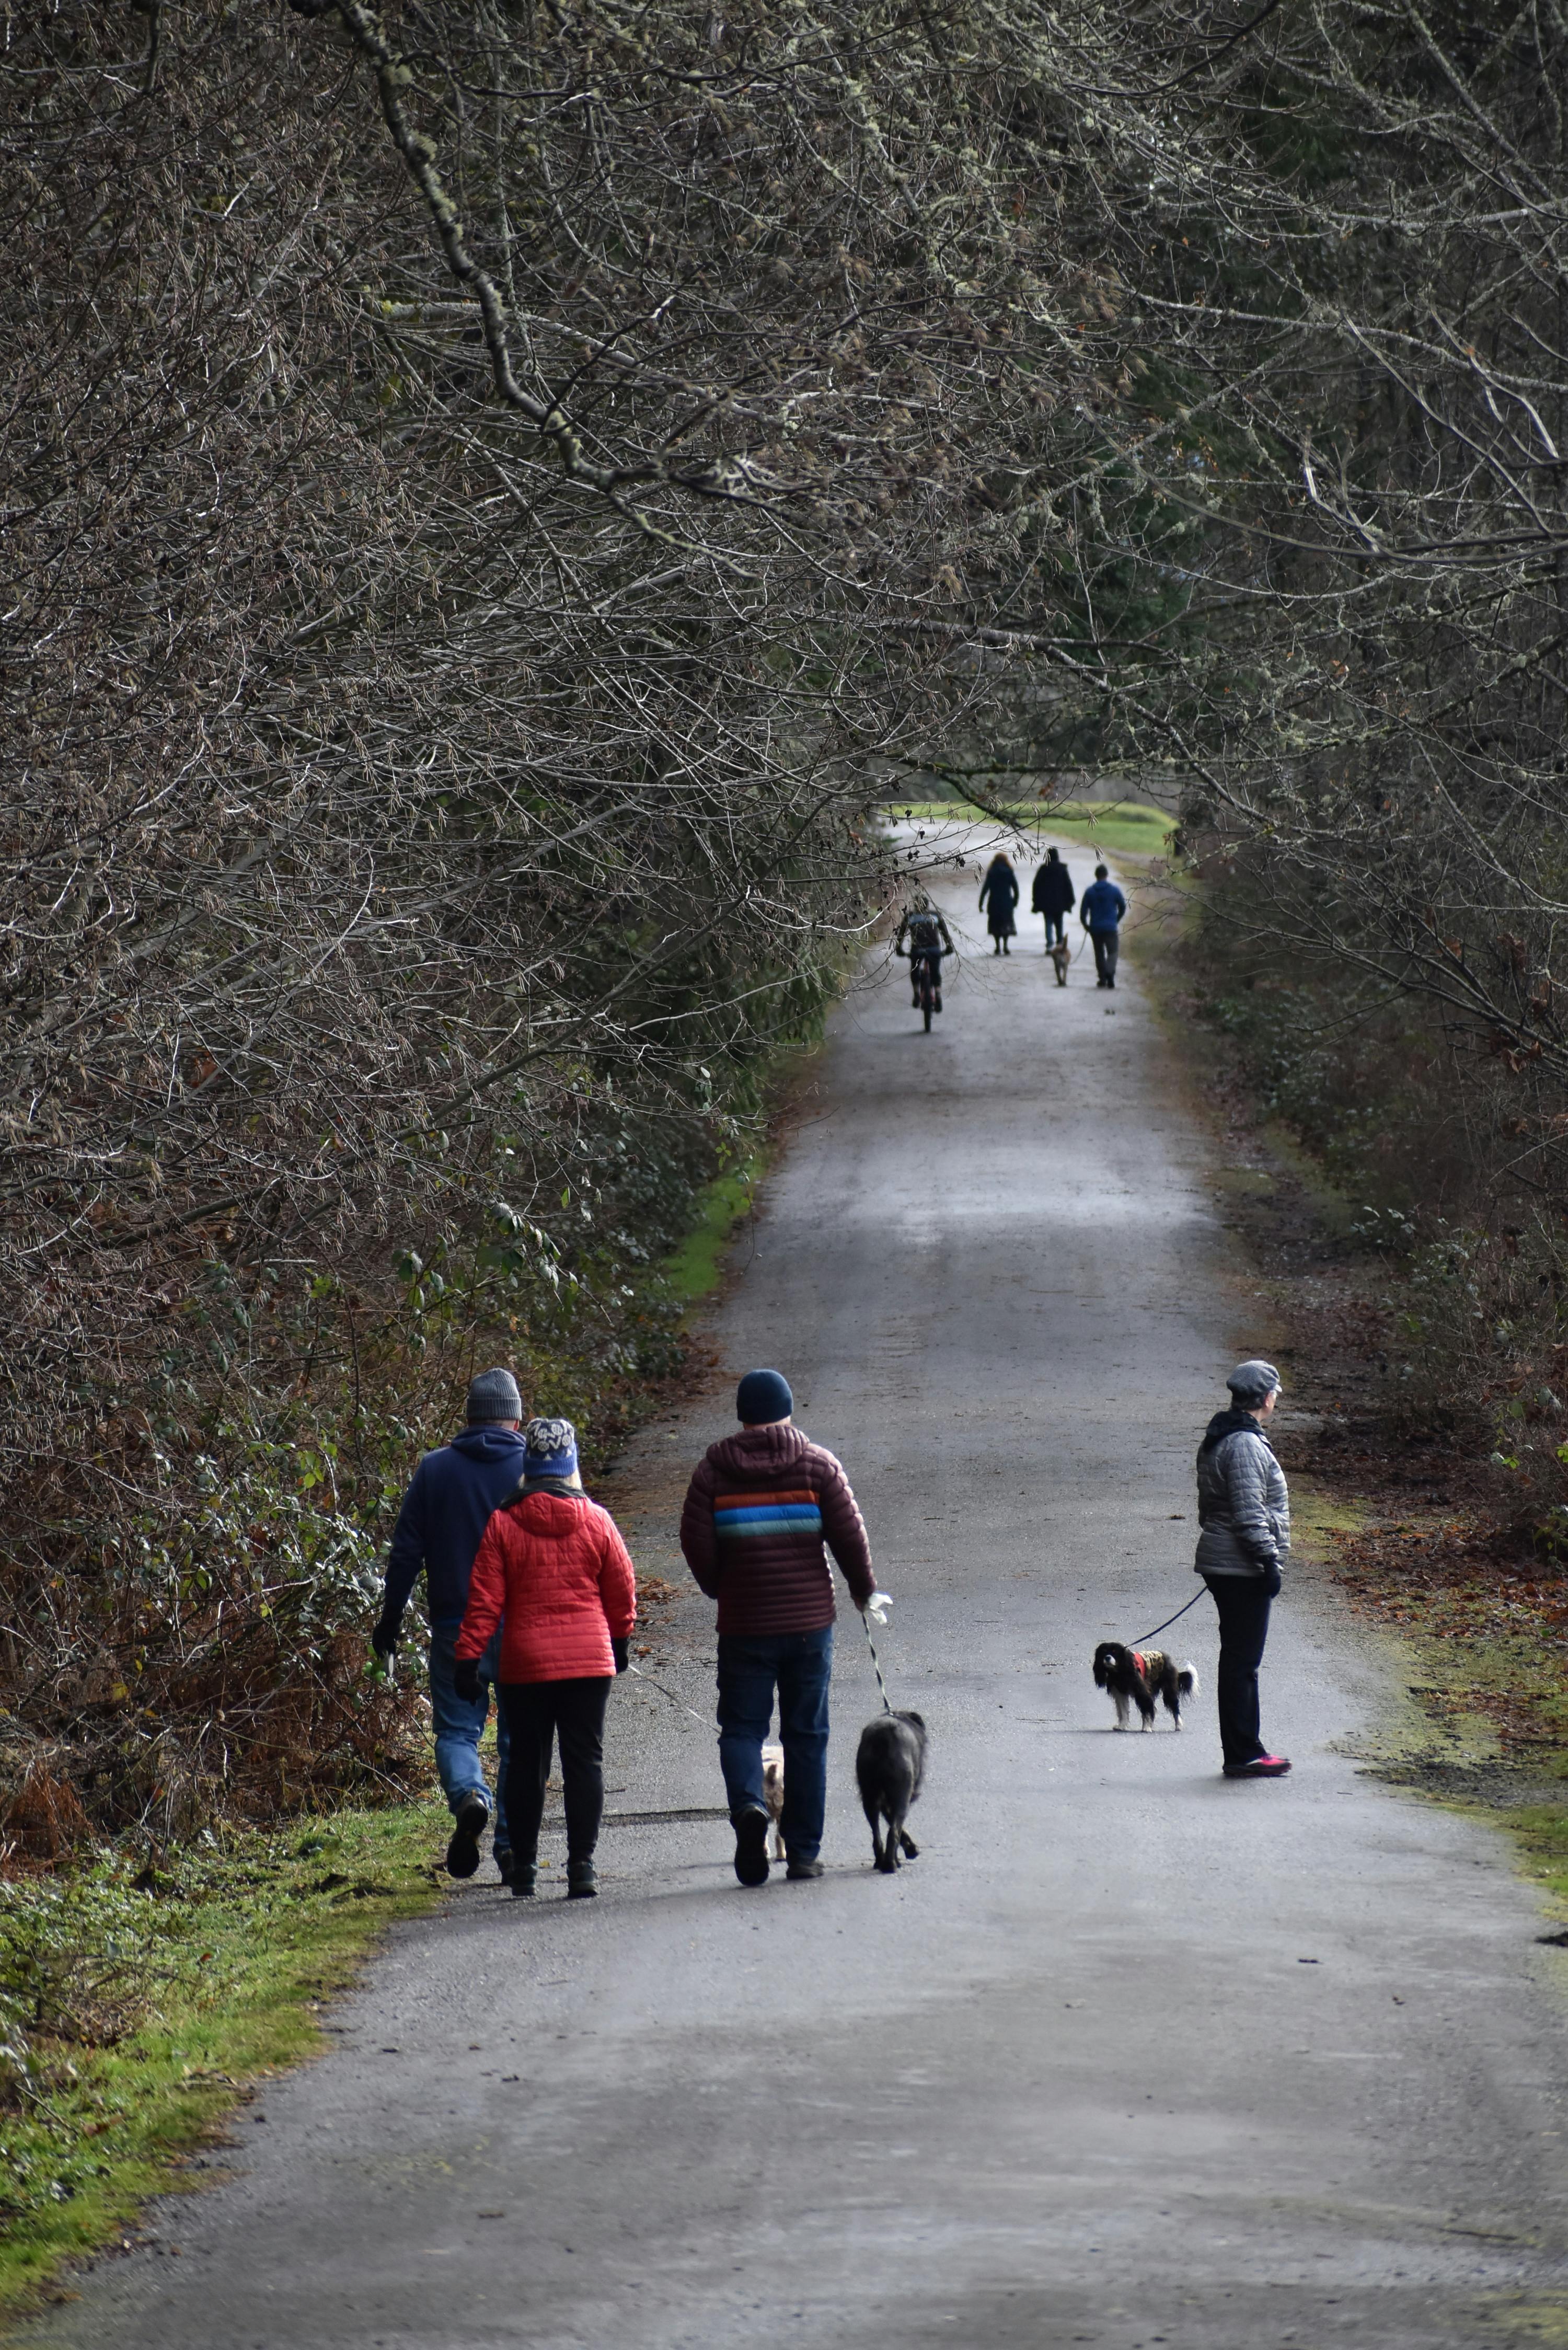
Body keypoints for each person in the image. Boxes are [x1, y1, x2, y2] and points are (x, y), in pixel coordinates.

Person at [680, 1368, 878, 1885]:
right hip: (809, 1624)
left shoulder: (713, 1474)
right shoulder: (817, 1466)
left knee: (743, 1729)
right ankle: (806, 1853)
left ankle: (749, 1805)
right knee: (806, 1735)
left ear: (743, 1414)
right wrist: (863, 1588)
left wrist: (720, 1586)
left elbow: (696, 1542)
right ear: (788, 1410)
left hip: (745, 1624)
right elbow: (849, 1536)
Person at [455, 1416, 636, 1900]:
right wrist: (619, 1641)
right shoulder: (597, 1519)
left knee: (527, 1764)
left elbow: (484, 1600)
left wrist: (468, 1658)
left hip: (526, 1665)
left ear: (529, 1466)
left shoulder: (504, 1522)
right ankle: (582, 1868)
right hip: (588, 1663)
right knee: (584, 1762)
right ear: (571, 1464)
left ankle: (526, 1869)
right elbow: (622, 1588)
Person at [372, 1368, 526, 1883]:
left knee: (458, 1730)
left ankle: (469, 1795)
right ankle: (510, 1847)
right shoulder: (534, 1468)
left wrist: (390, 1622)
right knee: (518, 1740)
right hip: (523, 1625)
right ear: (516, 1417)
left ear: (468, 1418)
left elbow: (405, 1555)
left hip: (457, 1625)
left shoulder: (435, 1470)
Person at [1194, 1361, 1291, 1778]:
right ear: (1265, 1397)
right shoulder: (1246, 1445)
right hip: (1242, 1566)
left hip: (1228, 1563)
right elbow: (1251, 1512)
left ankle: (1243, 1750)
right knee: (1242, 1664)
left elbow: (1210, 1510)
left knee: (1237, 1661)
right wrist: (1268, 1561)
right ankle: (1244, 1753)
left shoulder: (1225, 1436)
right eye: (1275, 1394)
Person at [893, 896, 955, 1011]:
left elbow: (901, 936)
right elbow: (945, 934)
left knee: (915, 970)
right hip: (934, 950)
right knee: (935, 971)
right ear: (927, 905)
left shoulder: (910, 917)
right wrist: (949, 948)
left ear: (916, 906)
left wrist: (899, 950)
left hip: (917, 950)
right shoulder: (936, 915)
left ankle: (917, 994)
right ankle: (938, 995)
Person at [1079, 861, 1128, 988]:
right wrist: (1116, 919)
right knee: (1113, 952)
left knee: (1099, 953)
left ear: (1096, 876)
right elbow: (1123, 907)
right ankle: (1110, 973)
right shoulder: (1114, 890)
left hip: (1096, 928)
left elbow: (1083, 911)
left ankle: (1102, 978)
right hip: (1110, 927)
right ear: (1106, 875)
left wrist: (1086, 925)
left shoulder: (1090, 892)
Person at [1031, 846, 1076, 949]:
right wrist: (1071, 900)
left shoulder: (1043, 869)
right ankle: (1060, 943)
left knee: (1048, 923)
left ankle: (1050, 944)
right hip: (1060, 902)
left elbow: (1036, 885)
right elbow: (1068, 885)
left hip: (1046, 903)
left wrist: (1036, 899)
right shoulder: (1062, 869)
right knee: (1059, 924)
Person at [978, 853, 1019, 954]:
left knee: (995, 924)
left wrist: (981, 903)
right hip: (1007, 902)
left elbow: (985, 888)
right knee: (1006, 924)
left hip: (994, 902)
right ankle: (1005, 946)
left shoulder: (992, 872)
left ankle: (998, 947)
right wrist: (1015, 901)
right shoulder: (1009, 872)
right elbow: (1016, 888)